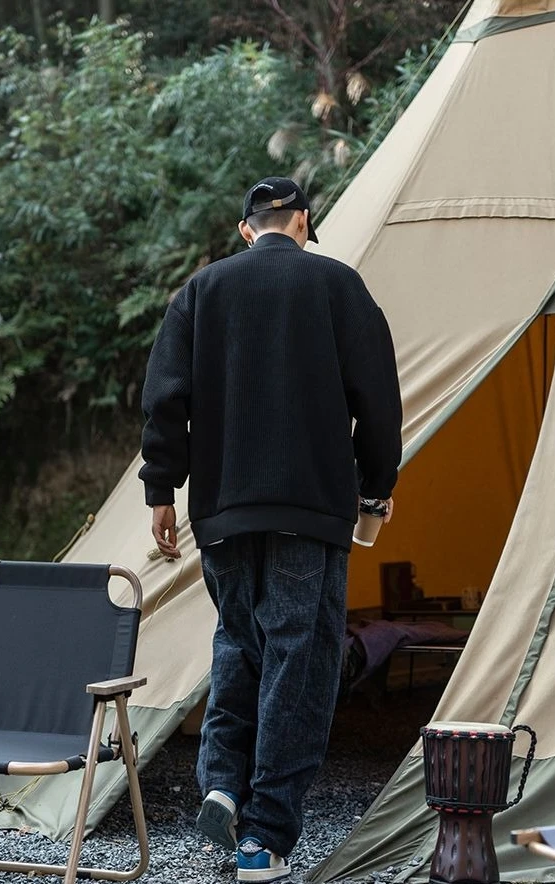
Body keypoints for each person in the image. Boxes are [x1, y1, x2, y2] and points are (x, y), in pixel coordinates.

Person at [138, 176, 402, 882]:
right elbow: (379, 401)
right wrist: (376, 488)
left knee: (238, 639)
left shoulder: (201, 291)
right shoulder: (338, 286)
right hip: (309, 510)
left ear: (245, 229)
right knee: (298, 657)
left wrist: (160, 490)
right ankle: (263, 837)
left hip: (222, 509)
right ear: (304, 222)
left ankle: (222, 781)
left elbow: (164, 398)